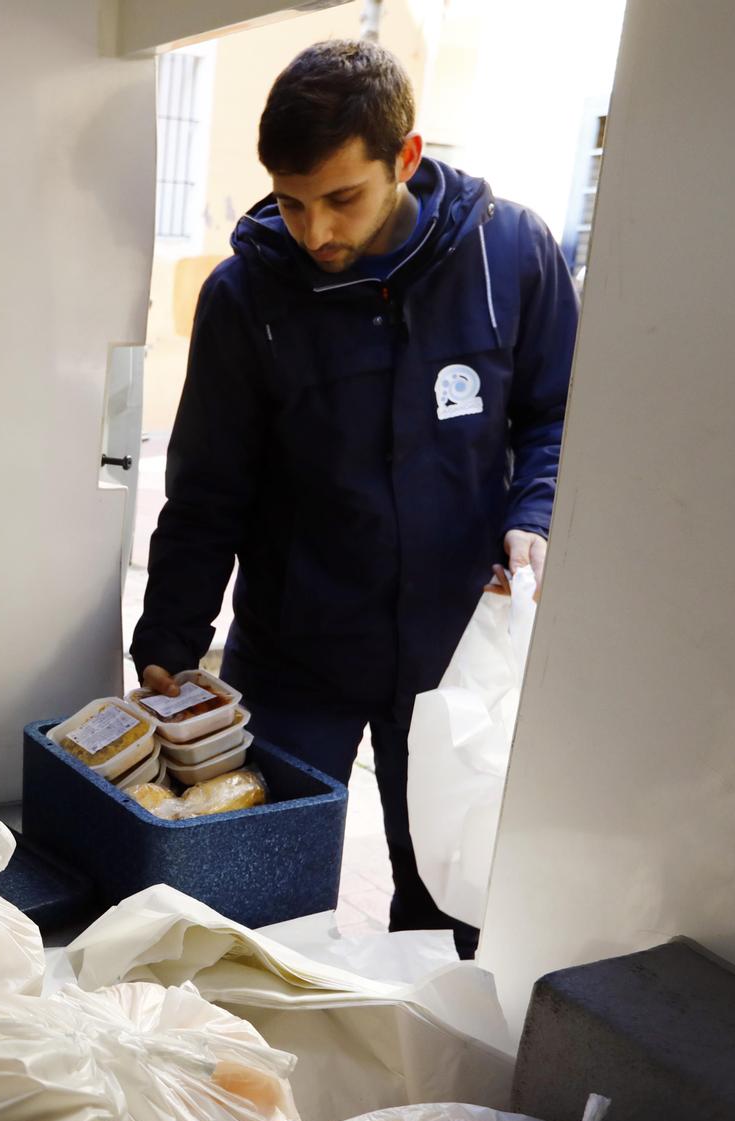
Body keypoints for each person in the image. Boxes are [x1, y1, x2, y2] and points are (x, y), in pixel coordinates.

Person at [129, 39, 579, 957]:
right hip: (300, 650)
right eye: (292, 203)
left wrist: (532, 514)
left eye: (342, 199)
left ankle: (426, 1074)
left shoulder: (510, 256)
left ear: (405, 159)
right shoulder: (245, 296)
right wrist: (169, 639)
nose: (315, 233)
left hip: (455, 653)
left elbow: (558, 414)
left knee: (449, 898)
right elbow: (210, 485)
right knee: (263, 900)